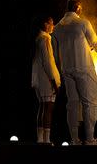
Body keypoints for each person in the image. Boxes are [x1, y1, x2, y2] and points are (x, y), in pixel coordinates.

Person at [52, 0, 97, 145]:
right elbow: (95, 42)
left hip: (67, 70)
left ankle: (74, 139)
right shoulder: (82, 23)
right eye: (81, 7)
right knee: (88, 103)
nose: (82, 10)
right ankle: (90, 139)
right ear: (77, 8)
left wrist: (60, 70)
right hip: (83, 68)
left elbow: (55, 53)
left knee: (72, 104)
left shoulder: (58, 28)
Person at [31, 15, 61, 145]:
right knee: (48, 108)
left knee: (42, 107)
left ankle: (40, 139)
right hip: (46, 79)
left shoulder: (39, 39)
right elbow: (48, 62)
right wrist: (54, 81)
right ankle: (46, 140)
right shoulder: (45, 39)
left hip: (39, 78)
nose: (53, 26)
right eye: (51, 23)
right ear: (45, 24)